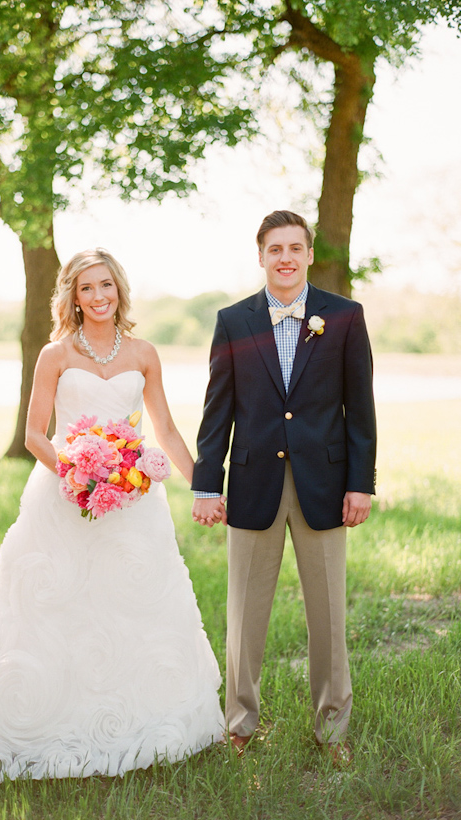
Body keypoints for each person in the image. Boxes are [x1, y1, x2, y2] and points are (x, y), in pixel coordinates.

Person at [0, 248, 224, 782]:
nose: (98, 297)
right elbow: (34, 434)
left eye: (106, 285)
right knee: (54, 604)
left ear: (119, 289)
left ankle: (136, 720)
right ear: (72, 298)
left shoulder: (144, 353)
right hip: (63, 495)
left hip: (132, 501)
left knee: (130, 604)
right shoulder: (55, 354)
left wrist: (204, 487)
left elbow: (164, 430)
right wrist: (76, 473)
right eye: (86, 288)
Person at [191, 210, 376, 760]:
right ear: (261, 256)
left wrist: (360, 483)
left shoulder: (343, 317)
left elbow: (360, 408)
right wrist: (207, 484)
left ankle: (332, 729)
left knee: (329, 615)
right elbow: (216, 409)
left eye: (296, 248)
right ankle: (240, 725)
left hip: (325, 482)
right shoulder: (233, 320)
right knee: (244, 616)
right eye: (276, 249)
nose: (287, 258)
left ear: (309, 254)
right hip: (253, 482)